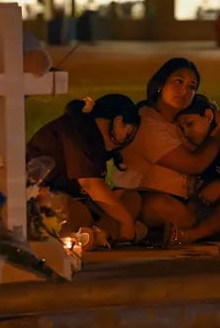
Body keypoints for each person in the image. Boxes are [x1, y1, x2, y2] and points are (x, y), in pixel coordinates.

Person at [111, 57, 220, 246]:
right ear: (160, 84)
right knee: (167, 207)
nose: (184, 91)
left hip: (191, 201)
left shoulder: (179, 121)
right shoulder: (148, 123)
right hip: (148, 200)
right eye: (178, 81)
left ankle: (190, 234)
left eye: (192, 86)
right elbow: (194, 165)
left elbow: (212, 159)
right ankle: (209, 229)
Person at [25, 93, 144, 246]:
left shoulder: (96, 139)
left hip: (77, 202)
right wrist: (126, 221)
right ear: (118, 121)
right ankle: (95, 235)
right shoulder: (78, 128)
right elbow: (91, 184)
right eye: (127, 135)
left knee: (130, 198)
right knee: (76, 211)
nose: (126, 143)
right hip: (42, 202)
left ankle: (100, 234)